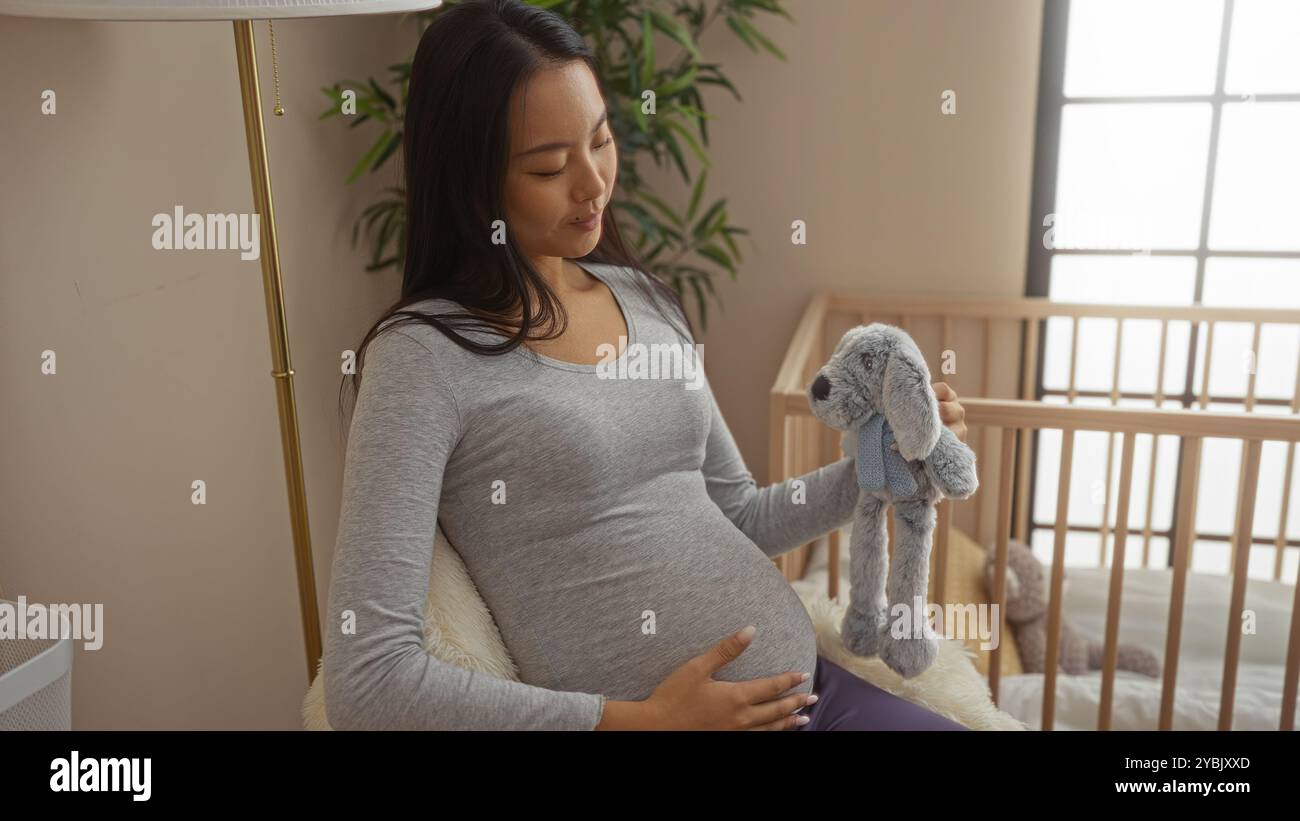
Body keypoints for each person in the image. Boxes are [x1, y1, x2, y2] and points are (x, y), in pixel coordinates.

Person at [323, 0, 969, 731]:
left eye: (600, 141)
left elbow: (739, 514)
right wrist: (632, 720)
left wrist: (879, 463)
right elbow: (366, 679)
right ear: (471, 179)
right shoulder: (421, 357)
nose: (593, 183)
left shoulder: (644, 299)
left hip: (812, 697)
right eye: (548, 166)